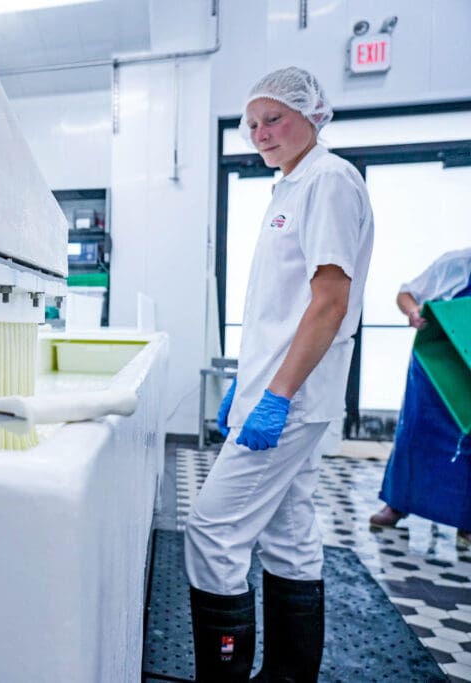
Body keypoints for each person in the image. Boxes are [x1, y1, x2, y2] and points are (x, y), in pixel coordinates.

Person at [186, 66, 374, 682]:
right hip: (276, 389)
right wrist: (245, 385)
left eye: (274, 119)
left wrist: (276, 396)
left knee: (213, 528)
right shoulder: (291, 187)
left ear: (313, 115)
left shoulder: (329, 180)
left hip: (290, 397)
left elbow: (330, 302)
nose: (261, 133)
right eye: (252, 124)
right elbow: (281, 308)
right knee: (289, 532)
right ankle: (288, 676)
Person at [369, 248, 471, 544]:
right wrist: (414, 312)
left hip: (468, 374)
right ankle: (397, 504)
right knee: (415, 433)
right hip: (435, 364)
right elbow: (406, 294)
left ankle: (467, 522)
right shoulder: (457, 264)